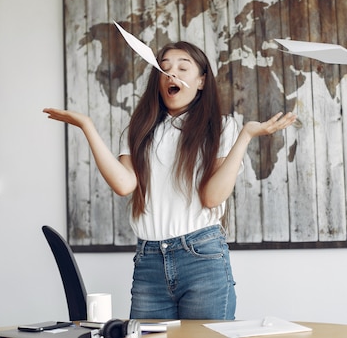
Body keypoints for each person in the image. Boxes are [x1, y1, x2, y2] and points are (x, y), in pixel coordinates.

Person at [44, 41, 296, 320]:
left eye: (182, 68)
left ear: (201, 81)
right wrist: (87, 126)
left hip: (203, 257)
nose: (171, 74)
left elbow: (213, 197)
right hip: (148, 262)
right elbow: (124, 185)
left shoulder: (221, 126)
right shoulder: (138, 130)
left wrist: (246, 136)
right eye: (164, 69)